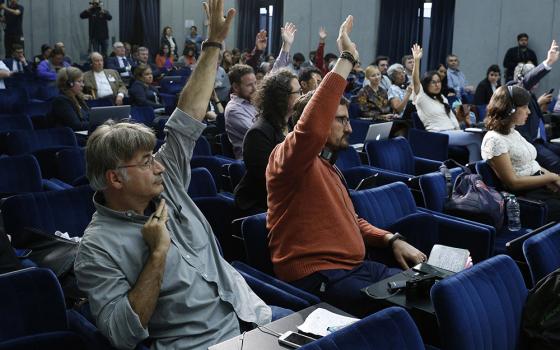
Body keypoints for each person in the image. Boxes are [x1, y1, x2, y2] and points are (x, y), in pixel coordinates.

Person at [74, 2, 289, 349]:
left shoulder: (165, 183)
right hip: (204, 343)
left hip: (254, 315)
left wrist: (214, 45)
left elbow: (186, 117)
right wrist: (157, 254)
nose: (159, 166)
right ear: (115, 178)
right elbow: (122, 334)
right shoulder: (96, 249)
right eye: (146, 162)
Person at [266, 15, 426, 317]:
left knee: (429, 293)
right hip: (319, 277)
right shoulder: (286, 159)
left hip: (355, 267)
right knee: (406, 311)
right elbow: (310, 130)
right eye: (340, 120)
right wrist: (348, 57)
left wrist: (390, 239)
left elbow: (352, 220)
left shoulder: (327, 166)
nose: (350, 129)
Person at [482, 85, 560, 222]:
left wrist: (553, 178)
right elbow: (514, 183)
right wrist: (551, 177)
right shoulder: (494, 140)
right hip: (526, 197)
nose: (528, 112)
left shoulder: (513, 132)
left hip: (539, 185)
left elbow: (532, 164)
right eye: (524, 107)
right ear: (509, 109)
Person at [411, 44, 482, 163]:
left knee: (474, 144)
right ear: (426, 84)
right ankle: (488, 169)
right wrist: (417, 60)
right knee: (476, 137)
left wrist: (460, 128)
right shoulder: (421, 97)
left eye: (438, 82)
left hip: (451, 133)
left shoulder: (442, 98)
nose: (437, 85)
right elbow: (415, 81)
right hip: (438, 135)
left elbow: (452, 117)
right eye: (433, 82)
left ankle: (474, 173)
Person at [513, 40, 560, 174]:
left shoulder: (531, 94)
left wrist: (541, 106)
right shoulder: (515, 88)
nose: (537, 83)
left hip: (541, 141)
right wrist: (548, 62)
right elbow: (526, 82)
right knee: (556, 163)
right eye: (535, 78)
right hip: (529, 144)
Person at [224, 64, 257, 159]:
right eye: (249, 85)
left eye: (255, 83)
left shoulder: (253, 100)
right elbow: (258, 134)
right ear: (236, 87)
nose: (255, 88)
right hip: (251, 162)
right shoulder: (233, 110)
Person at [47, 67, 89, 131]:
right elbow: (75, 125)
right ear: (69, 83)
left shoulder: (78, 97)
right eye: (79, 81)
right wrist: (97, 124)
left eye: (82, 82)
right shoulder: (61, 101)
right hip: (69, 137)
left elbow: (88, 116)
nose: (82, 85)